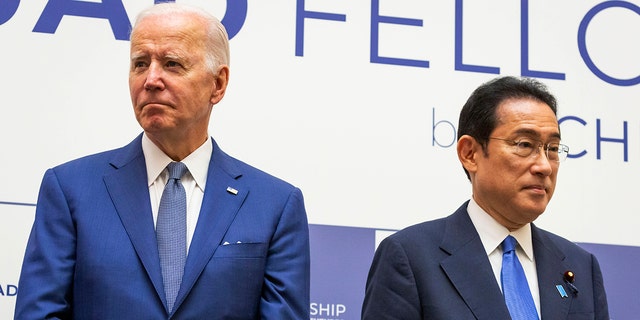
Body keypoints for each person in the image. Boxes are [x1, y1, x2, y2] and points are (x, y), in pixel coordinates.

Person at [15, 3, 310, 319]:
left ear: (218, 84)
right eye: (140, 64)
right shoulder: (70, 190)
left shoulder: (275, 205)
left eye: (172, 64)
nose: (151, 79)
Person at [361, 76, 609, 319]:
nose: (544, 166)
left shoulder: (580, 266)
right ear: (470, 153)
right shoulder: (410, 257)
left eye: (552, 149)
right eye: (524, 145)